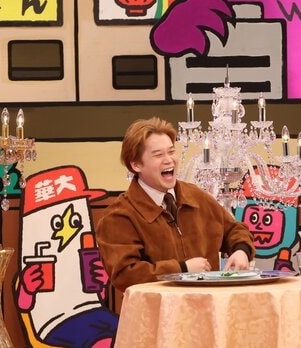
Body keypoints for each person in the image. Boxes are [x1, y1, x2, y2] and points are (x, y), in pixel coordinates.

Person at [96, 117, 255, 291]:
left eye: (171, 151)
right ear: (136, 165)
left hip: (209, 305)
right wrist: (182, 269)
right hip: (159, 308)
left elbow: (234, 229)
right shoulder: (118, 216)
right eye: (158, 155)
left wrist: (241, 250)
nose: (169, 160)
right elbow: (125, 274)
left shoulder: (196, 196)